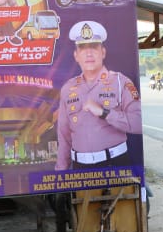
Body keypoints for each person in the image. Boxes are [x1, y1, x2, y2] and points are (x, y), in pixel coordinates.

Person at [55, 20, 142, 170]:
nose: (89, 53)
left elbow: (138, 123)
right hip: (80, 167)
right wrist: (60, 171)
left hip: (115, 164)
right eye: (82, 48)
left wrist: (104, 113)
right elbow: (64, 135)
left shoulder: (121, 82)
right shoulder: (68, 88)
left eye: (94, 47)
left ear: (103, 52)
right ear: (76, 55)